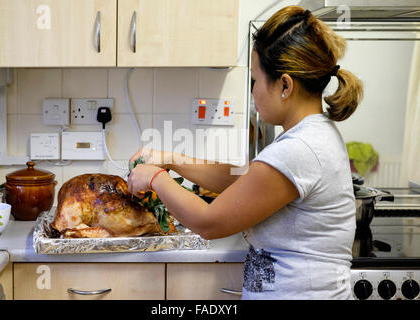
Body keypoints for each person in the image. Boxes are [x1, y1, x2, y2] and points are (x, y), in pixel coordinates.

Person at [127, 5, 363, 300]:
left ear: (285, 85)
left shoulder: (301, 148)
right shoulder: (309, 135)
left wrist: (155, 179)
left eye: (255, 80)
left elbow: (208, 223)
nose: (253, 91)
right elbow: (244, 178)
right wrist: (172, 160)